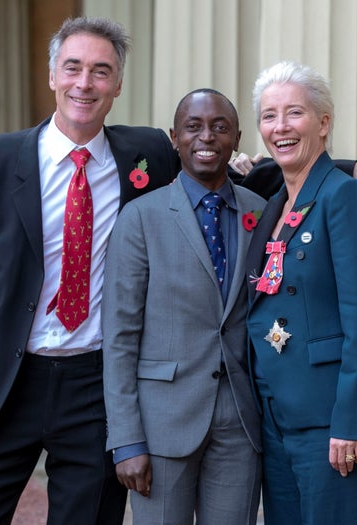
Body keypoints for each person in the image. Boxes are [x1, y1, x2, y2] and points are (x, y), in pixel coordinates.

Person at [0, 17, 181, 524]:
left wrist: (352, 169)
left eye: (100, 71)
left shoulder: (149, 155)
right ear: (53, 76)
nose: (84, 84)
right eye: (73, 68)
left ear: (118, 85)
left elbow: (214, 165)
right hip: (3, 382)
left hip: (97, 385)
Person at [101, 88, 265, 524]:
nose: (206, 136)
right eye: (193, 127)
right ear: (175, 138)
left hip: (240, 424)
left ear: (237, 138)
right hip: (160, 425)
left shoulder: (262, 213)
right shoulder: (140, 218)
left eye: (219, 127)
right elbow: (119, 336)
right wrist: (127, 440)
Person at [244, 61, 357, 525]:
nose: (280, 127)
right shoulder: (273, 205)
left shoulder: (345, 197)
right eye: (269, 116)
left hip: (330, 419)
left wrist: (352, 421)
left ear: (324, 123)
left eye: (294, 114)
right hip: (275, 413)